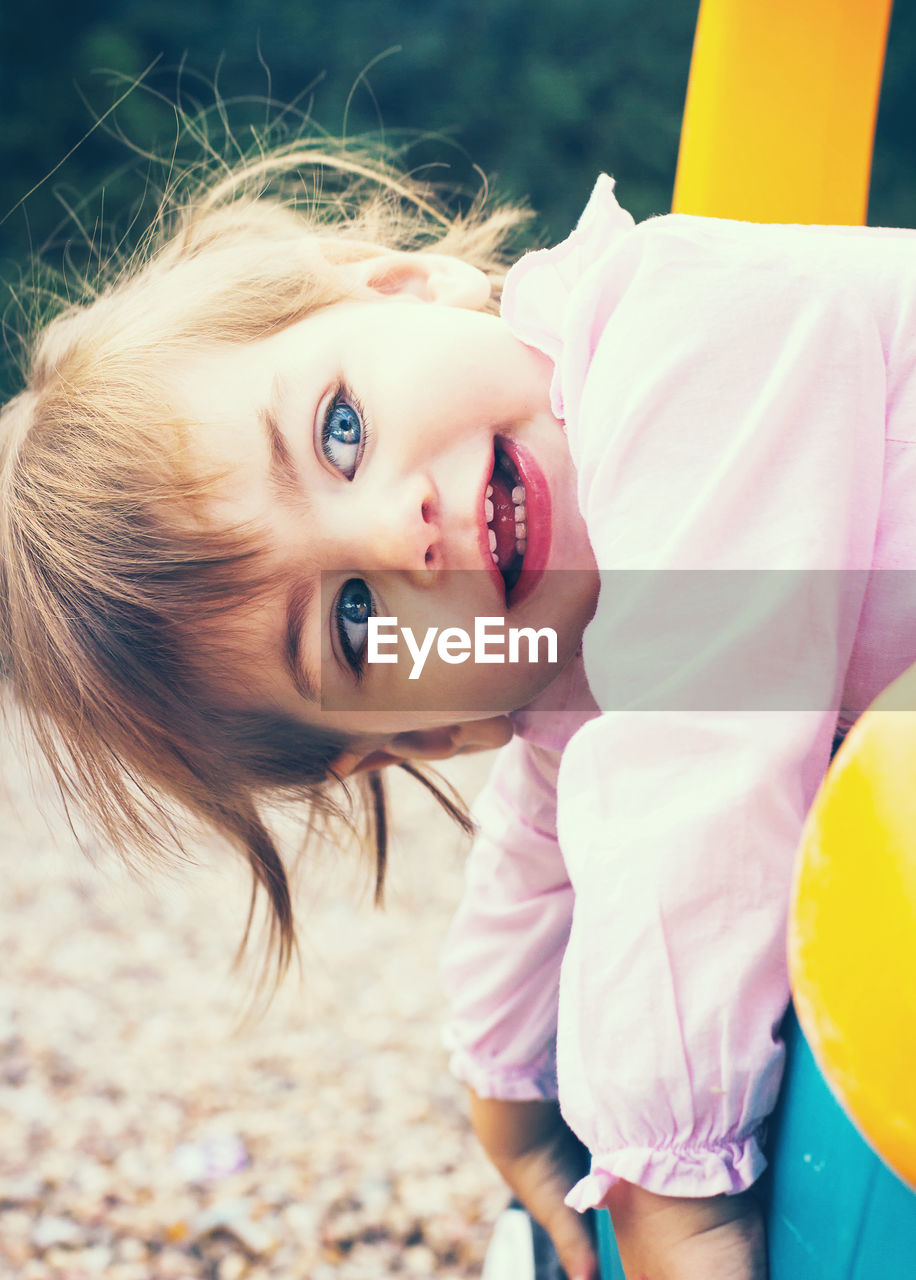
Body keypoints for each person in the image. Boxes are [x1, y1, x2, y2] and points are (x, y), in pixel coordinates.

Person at [2, 141, 915, 1280]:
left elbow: (692, 773)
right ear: (429, 731)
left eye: (339, 431)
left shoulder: (682, 332)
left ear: (403, 285)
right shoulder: (566, 659)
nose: (398, 532)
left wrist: (664, 1172)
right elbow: (536, 848)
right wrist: (506, 1077)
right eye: (350, 621)